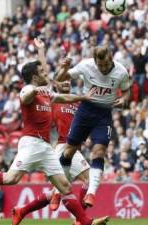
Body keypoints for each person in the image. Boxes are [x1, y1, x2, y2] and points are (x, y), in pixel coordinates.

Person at [0, 38, 109, 225]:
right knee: (12, 178)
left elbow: (62, 95)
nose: (47, 74)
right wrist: (33, 90)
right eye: (43, 73)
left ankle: (86, 222)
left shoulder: (46, 93)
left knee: (64, 186)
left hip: (45, 147)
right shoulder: (30, 89)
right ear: (35, 78)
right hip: (30, 143)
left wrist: (83, 96)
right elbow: (26, 94)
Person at [55, 46, 130, 207]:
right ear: (95, 61)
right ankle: (58, 191)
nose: (103, 68)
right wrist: (64, 68)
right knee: (68, 152)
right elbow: (60, 79)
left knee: (99, 151)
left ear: (111, 59)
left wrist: (124, 100)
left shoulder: (121, 71)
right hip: (85, 111)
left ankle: (91, 193)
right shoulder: (86, 65)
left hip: (103, 115)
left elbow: (126, 91)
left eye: (105, 64)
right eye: (99, 65)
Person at [11, 80, 92, 225]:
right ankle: (80, 220)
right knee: (81, 182)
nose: (66, 82)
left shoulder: (76, 103)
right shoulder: (53, 100)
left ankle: (22, 210)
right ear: (57, 84)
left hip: (74, 148)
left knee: (78, 184)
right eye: (63, 80)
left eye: (69, 80)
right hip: (63, 146)